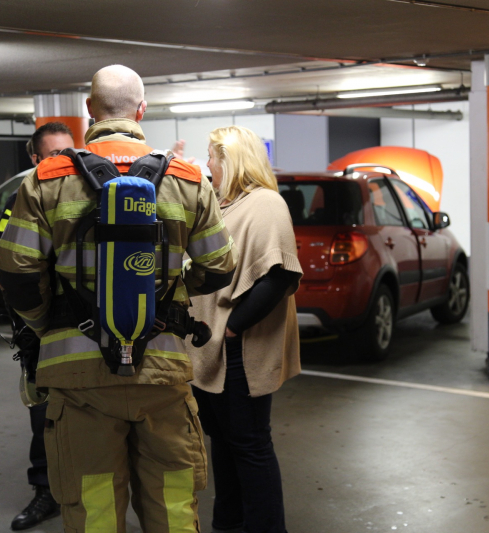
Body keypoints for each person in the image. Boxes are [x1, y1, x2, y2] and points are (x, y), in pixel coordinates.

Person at [0, 64, 238, 532]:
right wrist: (168, 295)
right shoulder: (189, 181)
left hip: (77, 374)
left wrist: (52, 325)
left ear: (89, 110)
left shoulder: (45, 180)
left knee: (94, 513)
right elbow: (220, 267)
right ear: (142, 110)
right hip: (163, 372)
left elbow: (17, 273)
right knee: (172, 509)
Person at [187, 125, 302, 533]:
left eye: (212, 157)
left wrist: (233, 327)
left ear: (231, 159)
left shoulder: (266, 204)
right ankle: (230, 522)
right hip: (211, 344)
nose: (208, 164)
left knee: (250, 443)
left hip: (238, 348)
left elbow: (279, 276)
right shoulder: (224, 204)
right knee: (225, 440)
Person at [0, 121, 74, 531]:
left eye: (68, 154)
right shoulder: (24, 198)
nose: (64, 163)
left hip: (85, 328)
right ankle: (45, 491)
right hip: (43, 331)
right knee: (44, 415)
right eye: (55, 155)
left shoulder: (89, 193)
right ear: (36, 160)